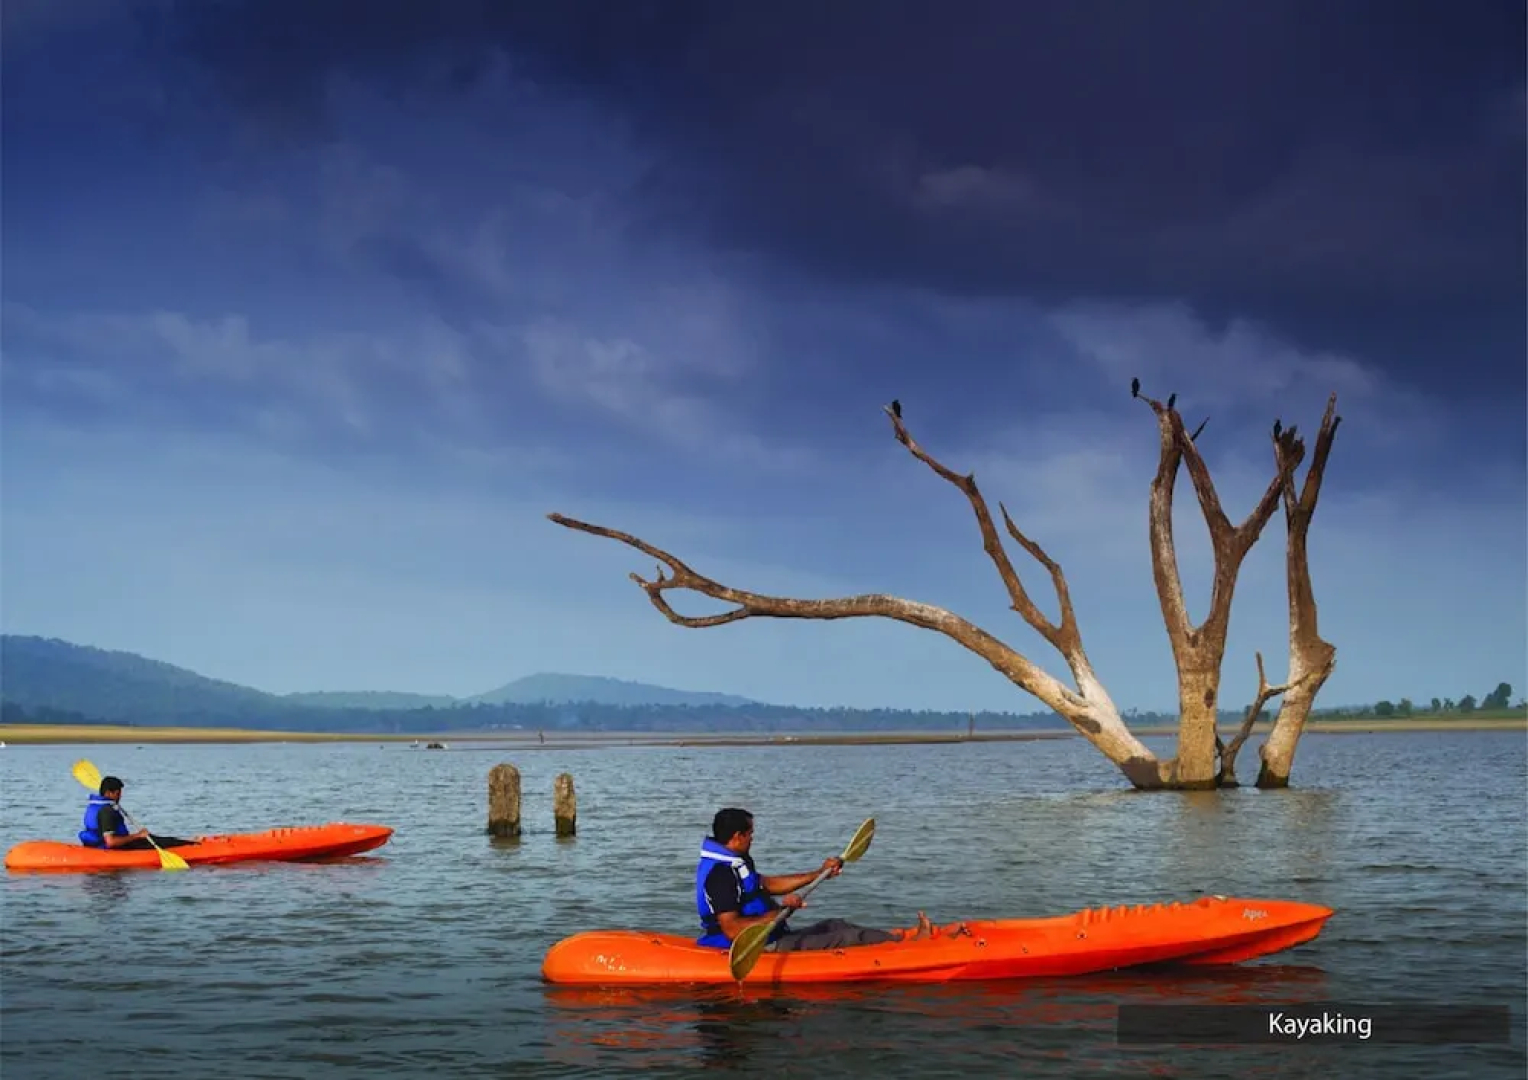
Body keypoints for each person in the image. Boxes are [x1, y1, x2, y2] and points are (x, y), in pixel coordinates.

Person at [694, 807, 966, 952]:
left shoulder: (737, 861)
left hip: (772, 934)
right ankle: (913, 947)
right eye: (751, 833)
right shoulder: (720, 874)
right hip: (755, 947)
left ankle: (897, 940)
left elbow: (766, 884)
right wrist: (782, 912)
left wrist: (818, 873)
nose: (753, 838)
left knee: (835, 924)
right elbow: (732, 930)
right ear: (738, 836)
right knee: (850, 937)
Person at [78, 776, 194, 850]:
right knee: (164, 842)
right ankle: (193, 846)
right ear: (108, 793)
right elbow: (111, 842)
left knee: (153, 838)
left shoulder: (95, 806)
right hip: (115, 848)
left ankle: (191, 843)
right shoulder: (107, 811)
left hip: (97, 845)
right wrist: (137, 835)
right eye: (117, 794)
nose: (120, 796)